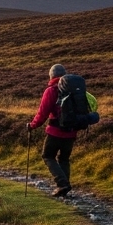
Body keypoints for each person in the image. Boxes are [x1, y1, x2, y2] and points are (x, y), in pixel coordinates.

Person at [28, 63, 78, 197]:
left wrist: (32, 125)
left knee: (48, 156)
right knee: (64, 159)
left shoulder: (51, 90)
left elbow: (42, 113)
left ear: (51, 75)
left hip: (55, 131)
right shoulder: (74, 89)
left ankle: (62, 184)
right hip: (72, 131)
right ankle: (64, 187)